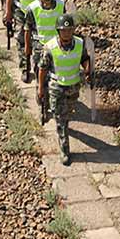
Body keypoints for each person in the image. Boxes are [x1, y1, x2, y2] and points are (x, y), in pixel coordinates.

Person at [37, 14, 91, 165]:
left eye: (69, 30)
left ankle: (62, 122)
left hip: (73, 87)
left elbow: (84, 59)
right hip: (57, 87)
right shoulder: (50, 47)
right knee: (61, 119)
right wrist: (41, 88)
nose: (66, 33)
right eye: (63, 30)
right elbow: (42, 69)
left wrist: (87, 70)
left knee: (68, 112)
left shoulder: (80, 43)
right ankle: (65, 149)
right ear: (58, 31)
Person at [24, 0, 65, 83]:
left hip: (57, 45)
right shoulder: (32, 8)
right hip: (40, 46)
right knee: (41, 74)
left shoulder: (61, 5)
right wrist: (27, 48)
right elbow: (27, 30)